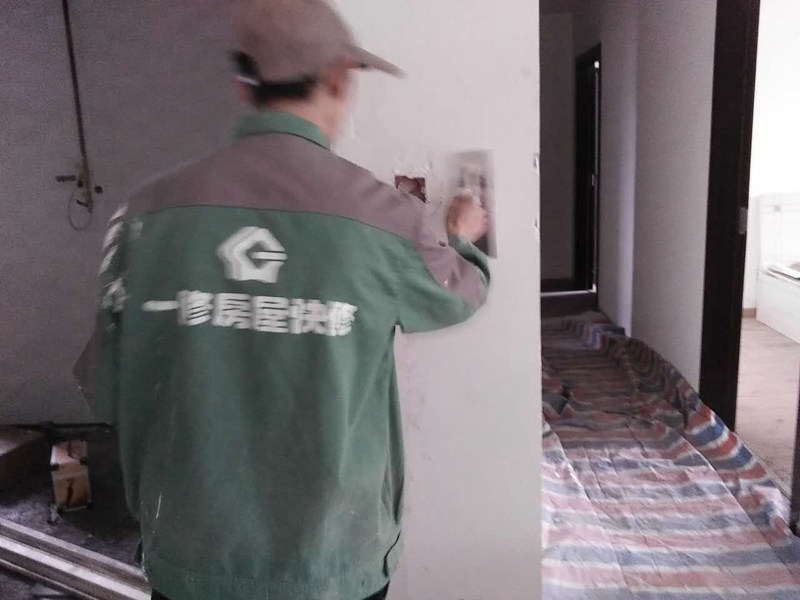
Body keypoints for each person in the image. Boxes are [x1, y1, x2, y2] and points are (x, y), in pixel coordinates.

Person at [78, 0, 490, 598]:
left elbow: (105, 385)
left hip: (191, 559)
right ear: (337, 78)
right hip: (331, 563)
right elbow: (461, 293)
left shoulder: (143, 215)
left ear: (244, 87)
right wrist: (461, 236)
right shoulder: (384, 219)